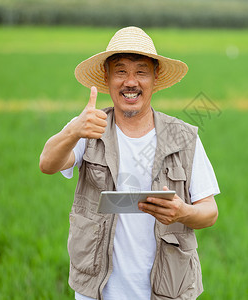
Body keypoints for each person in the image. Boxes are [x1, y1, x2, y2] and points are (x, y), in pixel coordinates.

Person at [39, 26, 220, 300]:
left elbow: (210, 212)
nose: (130, 82)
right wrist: (74, 129)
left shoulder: (182, 137)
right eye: (121, 71)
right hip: (96, 292)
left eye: (141, 71)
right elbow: (47, 163)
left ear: (155, 77)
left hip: (167, 290)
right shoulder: (89, 127)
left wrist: (181, 212)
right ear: (107, 76)